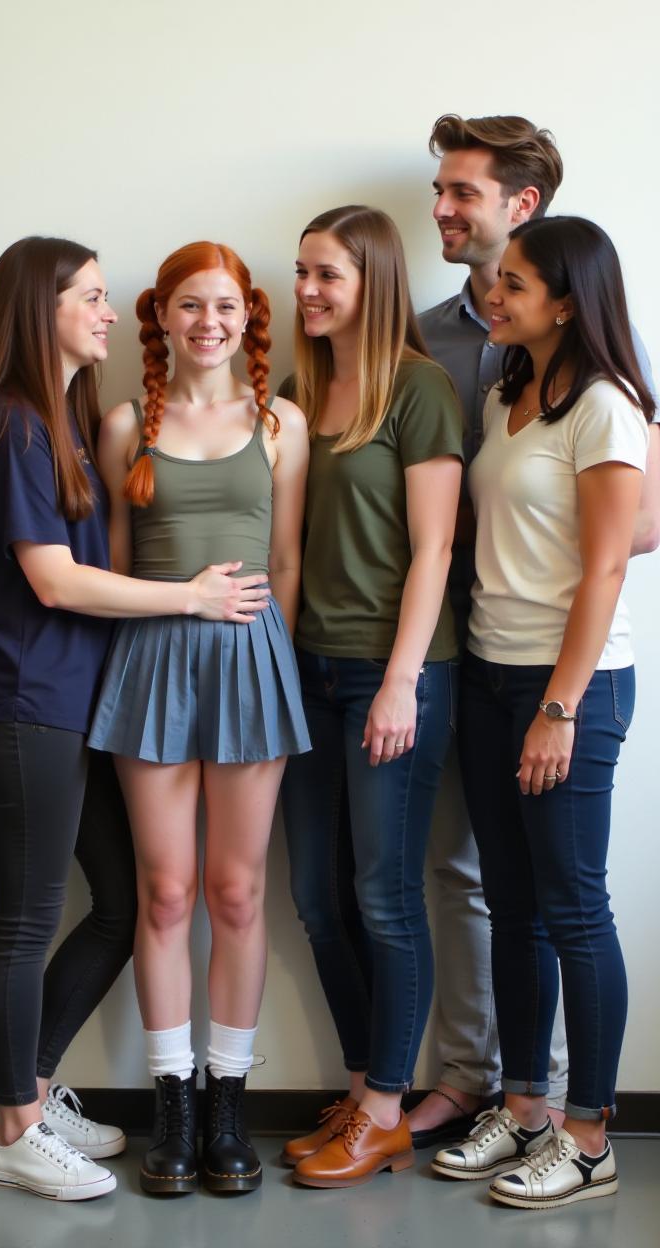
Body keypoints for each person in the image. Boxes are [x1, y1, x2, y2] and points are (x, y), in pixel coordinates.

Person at [0, 236, 272, 1202]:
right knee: (28, 917)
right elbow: (58, 578)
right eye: (89, 296)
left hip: (82, 699)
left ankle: (36, 1089)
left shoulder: (66, 417)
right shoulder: (16, 425)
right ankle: (13, 1119)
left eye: (103, 297)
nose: (104, 309)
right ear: (37, 309)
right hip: (29, 700)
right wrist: (190, 600)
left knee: (126, 901)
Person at [414, 113, 658, 1150]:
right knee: (509, 911)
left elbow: (612, 556)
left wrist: (559, 706)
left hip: (570, 687)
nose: (494, 296)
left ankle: (588, 1135)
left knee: (572, 909)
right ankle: (519, 1111)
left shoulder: (604, 405)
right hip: (485, 671)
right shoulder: (507, 392)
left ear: (563, 299)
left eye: (514, 283)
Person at [87, 241, 310, 1194]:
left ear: (248, 315)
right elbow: (113, 561)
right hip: (152, 667)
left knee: (238, 892)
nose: (207, 321)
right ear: (162, 316)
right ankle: (171, 1101)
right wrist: (181, 606)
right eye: (189, 305)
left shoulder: (279, 423)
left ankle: (229, 1102)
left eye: (224, 305)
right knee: (165, 893)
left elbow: (288, 562)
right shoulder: (126, 421)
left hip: (253, 667)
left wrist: (276, 666)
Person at [273, 205, 463, 1189]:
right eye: (301, 272)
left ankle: (387, 1109)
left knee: (384, 898)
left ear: (372, 283)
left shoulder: (420, 390)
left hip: (401, 675)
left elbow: (434, 547)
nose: (305, 289)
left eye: (326, 276)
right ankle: (364, 1087)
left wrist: (399, 681)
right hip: (308, 671)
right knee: (314, 897)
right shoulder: (301, 391)